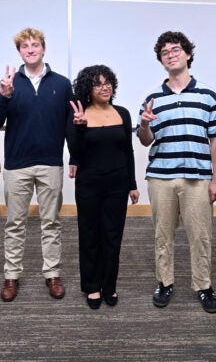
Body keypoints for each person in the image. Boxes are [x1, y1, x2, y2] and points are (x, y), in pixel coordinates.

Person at [0, 27, 74, 301]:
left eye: (35, 45)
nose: (31, 49)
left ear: (44, 48)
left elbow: (70, 124)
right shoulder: (8, 84)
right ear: (20, 52)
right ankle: (11, 276)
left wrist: (76, 157)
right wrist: (4, 96)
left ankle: (52, 274)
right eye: (25, 46)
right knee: (15, 223)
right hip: (17, 165)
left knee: (51, 222)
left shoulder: (62, 83)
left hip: (50, 164)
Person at [137, 31, 216, 313]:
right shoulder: (152, 99)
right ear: (161, 61)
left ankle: (203, 285)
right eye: (165, 52)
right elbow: (145, 140)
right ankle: (165, 282)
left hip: (197, 180)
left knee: (200, 235)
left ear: (187, 54)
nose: (171, 55)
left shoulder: (208, 96)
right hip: (161, 178)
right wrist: (145, 124)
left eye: (176, 50)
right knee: (163, 235)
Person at [67, 65, 139, 309]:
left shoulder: (123, 113)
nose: (105, 87)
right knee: (89, 235)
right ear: (88, 88)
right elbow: (75, 152)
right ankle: (91, 286)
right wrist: (79, 126)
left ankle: (109, 286)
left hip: (117, 185)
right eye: (98, 83)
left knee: (112, 236)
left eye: (108, 82)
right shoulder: (79, 113)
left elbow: (127, 151)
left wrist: (132, 184)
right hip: (88, 184)